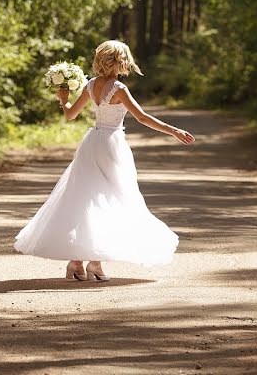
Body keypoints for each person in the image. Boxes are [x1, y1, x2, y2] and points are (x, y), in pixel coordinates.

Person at [14, 40, 195, 281]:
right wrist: (174, 130)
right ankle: (94, 263)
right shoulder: (118, 88)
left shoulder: (91, 85)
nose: (126, 64)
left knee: (85, 198)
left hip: (92, 143)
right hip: (111, 145)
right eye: (124, 60)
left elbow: (69, 114)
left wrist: (63, 97)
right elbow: (141, 118)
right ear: (118, 61)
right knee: (110, 198)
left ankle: (77, 262)